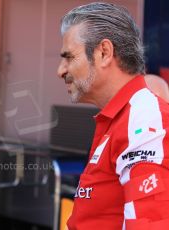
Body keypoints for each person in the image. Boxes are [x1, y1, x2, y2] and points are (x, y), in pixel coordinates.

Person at [58, 2, 169, 230]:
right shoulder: (121, 119)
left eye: (69, 57)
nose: (61, 70)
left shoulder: (142, 118)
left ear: (104, 53)